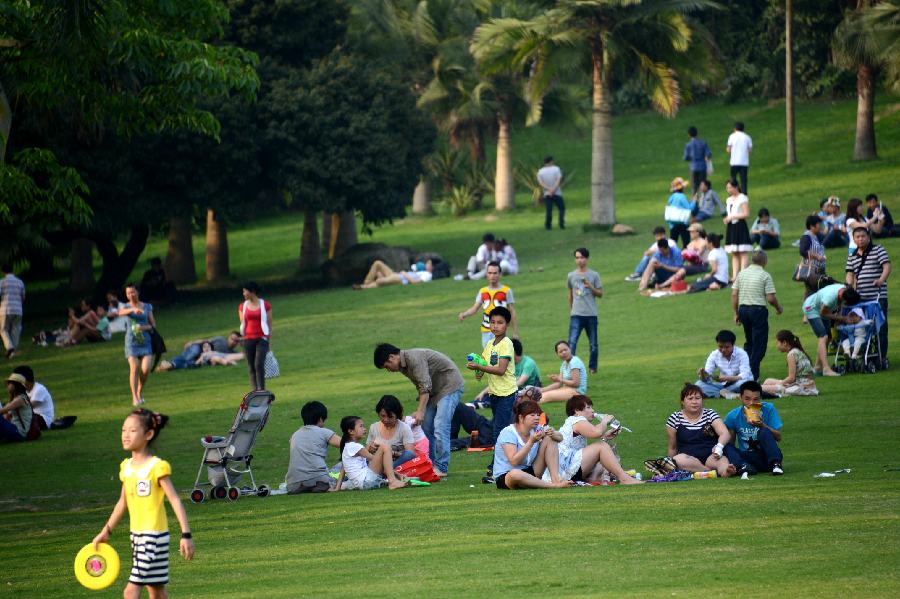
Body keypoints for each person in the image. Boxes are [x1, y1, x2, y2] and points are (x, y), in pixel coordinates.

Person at [91, 409, 194, 596]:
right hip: (136, 537)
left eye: (132, 430)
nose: (126, 435)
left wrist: (186, 534)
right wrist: (106, 531)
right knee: (156, 591)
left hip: (153, 537)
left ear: (149, 434)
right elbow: (122, 502)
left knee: (130, 592)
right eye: (123, 430)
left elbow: (174, 499)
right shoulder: (126, 467)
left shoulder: (156, 467)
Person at [374, 343, 465, 478]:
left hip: (449, 386)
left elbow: (424, 385)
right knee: (427, 428)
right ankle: (429, 464)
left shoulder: (413, 358)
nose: (388, 370)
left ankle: (442, 467)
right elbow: (423, 386)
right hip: (434, 392)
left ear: (392, 357)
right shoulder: (404, 365)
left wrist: (420, 411)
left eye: (387, 366)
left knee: (441, 427)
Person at [544, 395, 643, 484]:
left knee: (598, 465)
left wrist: (605, 438)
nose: (592, 411)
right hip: (566, 469)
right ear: (576, 410)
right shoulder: (577, 420)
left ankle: (591, 480)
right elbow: (597, 432)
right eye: (588, 407)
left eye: (591, 407)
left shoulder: (571, 421)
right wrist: (604, 421)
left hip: (565, 467)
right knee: (602, 446)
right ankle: (624, 479)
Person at [467, 306, 517, 481]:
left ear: (507, 325)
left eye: (500, 323)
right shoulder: (490, 344)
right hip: (495, 394)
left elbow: (501, 370)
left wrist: (480, 367)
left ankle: (497, 470)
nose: (495, 326)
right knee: (501, 431)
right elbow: (484, 362)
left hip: (506, 394)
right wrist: (478, 370)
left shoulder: (506, 344)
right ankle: (504, 466)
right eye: (492, 322)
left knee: (499, 432)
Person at [492, 401, 574, 489]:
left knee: (550, 439)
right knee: (515, 474)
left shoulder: (536, 428)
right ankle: (553, 486)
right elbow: (514, 462)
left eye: (538, 415)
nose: (537, 418)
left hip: (530, 471)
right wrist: (531, 441)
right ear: (521, 417)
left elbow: (560, 438)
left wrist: (553, 433)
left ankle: (555, 480)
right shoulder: (508, 433)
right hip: (507, 476)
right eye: (532, 415)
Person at [666, 383, 739, 477]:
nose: (694, 402)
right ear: (683, 402)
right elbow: (673, 448)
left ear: (702, 400)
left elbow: (725, 433)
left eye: (697, 398)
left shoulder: (710, 414)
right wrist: (668, 467)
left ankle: (726, 471)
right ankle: (711, 472)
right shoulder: (675, 418)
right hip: (689, 460)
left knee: (722, 461)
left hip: (712, 457)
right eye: (690, 399)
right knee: (678, 459)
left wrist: (719, 447)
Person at [731, 250, 783, 381]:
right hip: (758, 311)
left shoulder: (741, 273)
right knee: (759, 345)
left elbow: (734, 294)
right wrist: (778, 307)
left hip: (743, 310)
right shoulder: (765, 275)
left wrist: (736, 313)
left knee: (749, 343)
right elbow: (770, 298)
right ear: (764, 261)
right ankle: (751, 376)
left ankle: (743, 373)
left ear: (751, 260)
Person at [846, 227, 890, 360]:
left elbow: (887, 267)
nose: (860, 239)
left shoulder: (878, 250)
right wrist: (848, 286)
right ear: (854, 239)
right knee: (863, 327)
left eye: (863, 236)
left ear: (868, 237)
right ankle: (867, 354)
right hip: (860, 299)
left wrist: (881, 280)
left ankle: (881, 356)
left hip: (877, 296)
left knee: (880, 327)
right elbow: (850, 274)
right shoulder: (852, 256)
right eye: (857, 237)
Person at [332, 416, 410, 491]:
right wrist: (396, 473)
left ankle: (392, 480)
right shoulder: (355, 447)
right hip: (367, 481)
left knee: (380, 453)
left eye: (363, 426)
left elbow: (343, 469)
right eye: (361, 426)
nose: (364, 429)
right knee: (385, 447)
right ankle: (392, 482)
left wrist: (337, 487)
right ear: (351, 431)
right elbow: (378, 462)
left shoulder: (347, 447)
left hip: (365, 483)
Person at [723, 381, 784, 475]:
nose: (751, 403)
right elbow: (731, 445)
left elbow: (779, 437)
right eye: (747, 399)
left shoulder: (768, 409)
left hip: (766, 457)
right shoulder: (733, 416)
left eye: (756, 399)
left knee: (764, 431)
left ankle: (776, 464)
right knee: (725, 445)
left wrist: (762, 425)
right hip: (747, 458)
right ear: (740, 397)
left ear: (760, 398)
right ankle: (743, 466)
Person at [802, 284, 862, 376]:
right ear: (845, 301)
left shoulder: (845, 291)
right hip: (812, 308)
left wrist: (840, 316)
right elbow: (823, 313)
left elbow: (839, 306)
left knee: (828, 338)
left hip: (823, 309)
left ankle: (817, 367)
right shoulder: (830, 298)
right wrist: (842, 318)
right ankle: (826, 369)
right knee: (823, 337)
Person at [285, 401, 341, 493]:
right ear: (320, 419)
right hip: (319, 480)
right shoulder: (323, 432)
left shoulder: (295, 435)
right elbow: (347, 445)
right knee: (341, 466)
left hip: (293, 484)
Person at [459, 261, 517, 348]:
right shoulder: (483, 292)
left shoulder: (506, 291)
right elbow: (475, 308)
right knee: (487, 355)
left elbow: (512, 311)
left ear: (500, 274)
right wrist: (465, 314)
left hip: (500, 331)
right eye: (490, 273)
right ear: (487, 274)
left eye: (495, 273)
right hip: (486, 331)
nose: (492, 276)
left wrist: (515, 333)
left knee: (499, 354)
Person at [119, 283, 156, 406]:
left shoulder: (147, 306)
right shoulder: (125, 307)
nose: (131, 295)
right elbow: (120, 313)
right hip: (131, 342)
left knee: (145, 369)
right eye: (128, 293)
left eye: (133, 292)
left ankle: (140, 389)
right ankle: (134, 396)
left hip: (145, 341)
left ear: (138, 292)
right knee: (134, 368)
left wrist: (144, 327)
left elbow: (153, 325)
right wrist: (133, 309)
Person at [567, 248, 602, 374]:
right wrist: (572, 310)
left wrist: (590, 287)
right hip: (576, 315)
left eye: (582, 257)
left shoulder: (594, 275)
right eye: (577, 258)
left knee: (593, 344)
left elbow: (600, 294)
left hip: (591, 314)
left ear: (587, 259)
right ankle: (571, 367)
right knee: (572, 343)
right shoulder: (571, 276)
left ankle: (593, 367)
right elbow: (570, 294)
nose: (579, 260)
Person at [473, 338, 541, 403]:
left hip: (528, 390)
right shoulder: (507, 364)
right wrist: (483, 392)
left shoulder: (528, 362)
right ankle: (475, 403)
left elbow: (521, 382)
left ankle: (484, 403)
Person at [694, 330, 753, 399]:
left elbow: (745, 375)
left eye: (727, 347)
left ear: (733, 344)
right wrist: (703, 374)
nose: (723, 350)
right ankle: (726, 394)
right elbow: (706, 378)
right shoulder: (714, 355)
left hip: (738, 384)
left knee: (743, 384)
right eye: (720, 347)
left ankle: (721, 393)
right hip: (724, 385)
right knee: (698, 384)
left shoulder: (741, 354)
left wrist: (727, 378)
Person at [366, 395, 416, 469]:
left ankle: (389, 473)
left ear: (397, 415)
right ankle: (384, 473)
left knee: (409, 454)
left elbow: (411, 455)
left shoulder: (404, 428)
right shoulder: (374, 427)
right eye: (383, 416)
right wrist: (371, 449)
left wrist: (393, 453)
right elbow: (366, 453)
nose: (386, 419)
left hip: (398, 466)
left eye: (390, 416)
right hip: (379, 466)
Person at [761, 330, 817, 397]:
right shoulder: (797, 351)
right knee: (767, 381)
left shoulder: (791, 354)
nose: (777, 346)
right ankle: (772, 391)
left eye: (777, 343)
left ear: (784, 343)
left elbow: (791, 378)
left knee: (760, 388)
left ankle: (774, 393)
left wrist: (779, 384)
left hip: (800, 387)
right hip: (805, 384)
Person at [239, 281, 271, 391]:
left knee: (259, 364)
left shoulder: (265, 305)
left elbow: (269, 324)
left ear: (252, 291)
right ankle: (255, 390)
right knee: (251, 365)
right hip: (248, 340)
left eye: (245, 291)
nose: (243, 294)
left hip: (262, 339)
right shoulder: (243, 307)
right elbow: (243, 323)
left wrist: (269, 340)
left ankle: (261, 389)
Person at [156, 332, 243, 372]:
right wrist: (191, 343)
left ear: (238, 343)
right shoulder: (220, 339)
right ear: (229, 337)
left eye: (235, 341)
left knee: (190, 364)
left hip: (202, 358)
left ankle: (168, 366)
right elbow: (205, 341)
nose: (232, 342)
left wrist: (242, 343)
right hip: (199, 348)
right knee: (189, 356)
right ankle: (170, 363)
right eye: (231, 339)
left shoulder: (232, 353)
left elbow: (244, 354)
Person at [661, 223, 709, 289]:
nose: (690, 233)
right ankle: (669, 282)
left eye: (692, 231)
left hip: (702, 265)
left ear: (698, 232)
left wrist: (687, 255)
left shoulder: (703, 242)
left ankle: (663, 284)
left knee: (682, 270)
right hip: (692, 265)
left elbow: (697, 255)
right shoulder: (690, 244)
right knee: (678, 268)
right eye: (690, 231)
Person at [723, 178, 751, 279]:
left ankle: (743, 275)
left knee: (743, 251)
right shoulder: (728, 200)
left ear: (736, 187)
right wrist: (727, 219)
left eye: (731, 187)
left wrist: (732, 217)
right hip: (731, 226)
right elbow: (730, 213)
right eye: (727, 188)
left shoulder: (742, 198)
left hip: (740, 225)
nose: (729, 190)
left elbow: (746, 214)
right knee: (734, 252)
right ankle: (735, 276)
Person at [12, 365, 53, 430]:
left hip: (43, 419)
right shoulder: (24, 390)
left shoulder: (39, 389)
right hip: (32, 416)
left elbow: (28, 407)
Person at [0, 372, 37, 442]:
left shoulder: (20, 400)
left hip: (20, 433)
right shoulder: (16, 399)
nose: (8, 386)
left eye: (10, 384)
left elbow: (2, 411)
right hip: (16, 430)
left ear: (17, 385)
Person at [353, 258, 434, 289]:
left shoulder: (428, 275)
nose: (426, 264)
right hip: (396, 275)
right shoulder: (424, 271)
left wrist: (405, 274)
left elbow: (414, 282)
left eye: (428, 263)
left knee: (379, 281)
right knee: (377, 263)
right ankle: (366, 283)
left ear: (432, 267)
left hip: (400, 279)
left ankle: (363, 287)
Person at [799, 215, 827, 301]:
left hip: (819, 270)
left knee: (820, 291)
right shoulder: (807, 237)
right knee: (810, 293)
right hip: (812, 270)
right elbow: (803, 251)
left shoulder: (816, 236)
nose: (820, 227)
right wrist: (817, 256)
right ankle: (807, 309)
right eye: (819, 225)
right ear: (812, 226)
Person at [0, 264, 25, 358]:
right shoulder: (20, 282)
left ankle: (9, 346)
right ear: (13, 271)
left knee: (3, 329)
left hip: (5, 309)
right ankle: (13, 353)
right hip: (18, 309)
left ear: (3, 273)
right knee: (16, 330)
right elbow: (23, 297)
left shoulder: (1, 282)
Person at [666, 177, 696, 248]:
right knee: (686, 244)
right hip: (682, 222)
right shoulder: (682, 196)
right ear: (681, 188)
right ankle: (683, 255)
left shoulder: (672, 196)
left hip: (673, 223)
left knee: (672, 244)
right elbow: (689, 208)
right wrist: (694, 202)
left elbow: (677, 205)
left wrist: (689, 202)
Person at [683, 126, 712, 199]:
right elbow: (709, 154)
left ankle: (695, 201)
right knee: (702, 185)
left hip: (693, 167)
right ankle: (703, 201)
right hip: (702, 166)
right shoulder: (703, 143)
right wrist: (706, 158)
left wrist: (690, 159)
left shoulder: (688, 145)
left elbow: (685, 157)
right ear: (697, 133)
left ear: (689, 135)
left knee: (694, 186)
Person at [537, 156, 565, 230]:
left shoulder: (540, 171)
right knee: (561, 208)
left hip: (547, 193)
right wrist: (554, 189)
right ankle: (561, 223)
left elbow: (541, 182)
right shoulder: (556, 169)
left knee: (549, 210)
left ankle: (548, 226)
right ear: (551, 161)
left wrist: (549, 189)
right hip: (557, 193)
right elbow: (558, 180)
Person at [726, 121, 752, 194]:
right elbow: (750, 150)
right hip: (744, 162)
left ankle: (733, 193)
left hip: (734, 162)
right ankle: (744, 194)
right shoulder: (747, 137)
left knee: (733, 179)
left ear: (735, 128)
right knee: (743, 180)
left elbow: (728, 149)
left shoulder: (732, 136)